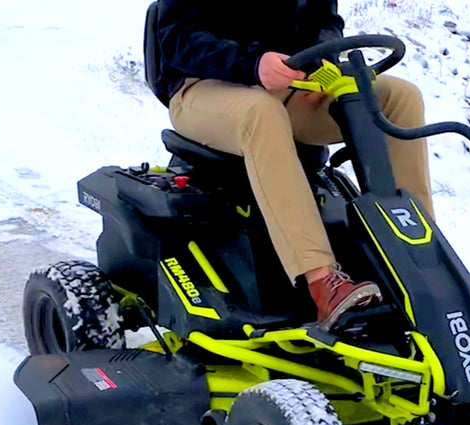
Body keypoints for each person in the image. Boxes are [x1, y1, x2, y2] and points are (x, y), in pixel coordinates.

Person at [156, 0, 434, 330]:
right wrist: (253, 63)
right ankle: (321, 282)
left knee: (400, 98)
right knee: (262, 114)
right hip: (201, 87)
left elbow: (326, 22)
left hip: (292, 85)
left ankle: (421, 263)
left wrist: (317, 58)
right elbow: (176, 40)